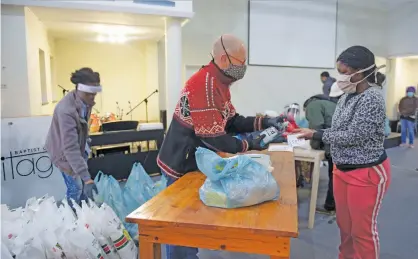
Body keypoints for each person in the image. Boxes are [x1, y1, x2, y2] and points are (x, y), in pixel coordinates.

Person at [157, 34, 284, 259]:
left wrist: (264, 121)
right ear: (224, 59)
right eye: (241, 63)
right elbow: (214, 138)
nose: (243, 69)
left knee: (191, 223)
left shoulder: (219, 83)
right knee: (179, 226)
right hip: (180, 162)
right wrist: (249, 144)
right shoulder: (202, 84)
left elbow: (232, 121)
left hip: (197, 158)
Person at [296, 46, 391, 259]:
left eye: (345, 72)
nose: (341, 77)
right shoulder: (347, 97)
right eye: (339, 71)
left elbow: (354, 135)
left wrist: (316, 134)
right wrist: (314, 132)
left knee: (362, 232)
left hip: (365, 173)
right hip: (342, 170)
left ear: (360, 72)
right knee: (345, 228)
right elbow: (338, 130)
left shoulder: (372, 98)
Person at [45, 68, 101, 207]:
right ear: (79, 88)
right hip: (63, 152)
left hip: (78, 148)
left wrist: (86, 142)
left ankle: (83, 213)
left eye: (94, 93)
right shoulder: (66, 110)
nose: (92, 97)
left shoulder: (86, 102)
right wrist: (87, 179)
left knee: (82, 189)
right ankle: (71, 220)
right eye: (89, 93)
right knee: (75, 188)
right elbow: (70, 148)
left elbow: (81, 127)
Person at [303, 82, 344, 213]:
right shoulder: (328, 103)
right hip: (341, 141)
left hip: (335, 144)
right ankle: (336, 205)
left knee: (334, 176)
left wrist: (313, 147)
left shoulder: (312, 106)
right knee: (338, 176)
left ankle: (331, 206)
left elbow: (316, 129)